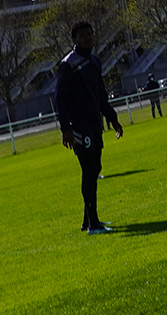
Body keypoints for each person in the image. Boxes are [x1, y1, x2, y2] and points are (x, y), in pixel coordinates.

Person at [53, 21, 124, 234]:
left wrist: (112, 118)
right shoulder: (68, 64)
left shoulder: (94, 61)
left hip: (95, 123)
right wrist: (65, 127)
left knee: (96, 168)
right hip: (79, 126)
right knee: (88, 169)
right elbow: (60, 98)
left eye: (89, 34)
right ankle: (94, 223)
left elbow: (101, 95)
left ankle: (87, 221)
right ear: (74, 39)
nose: (87, 38)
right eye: (82, 35)